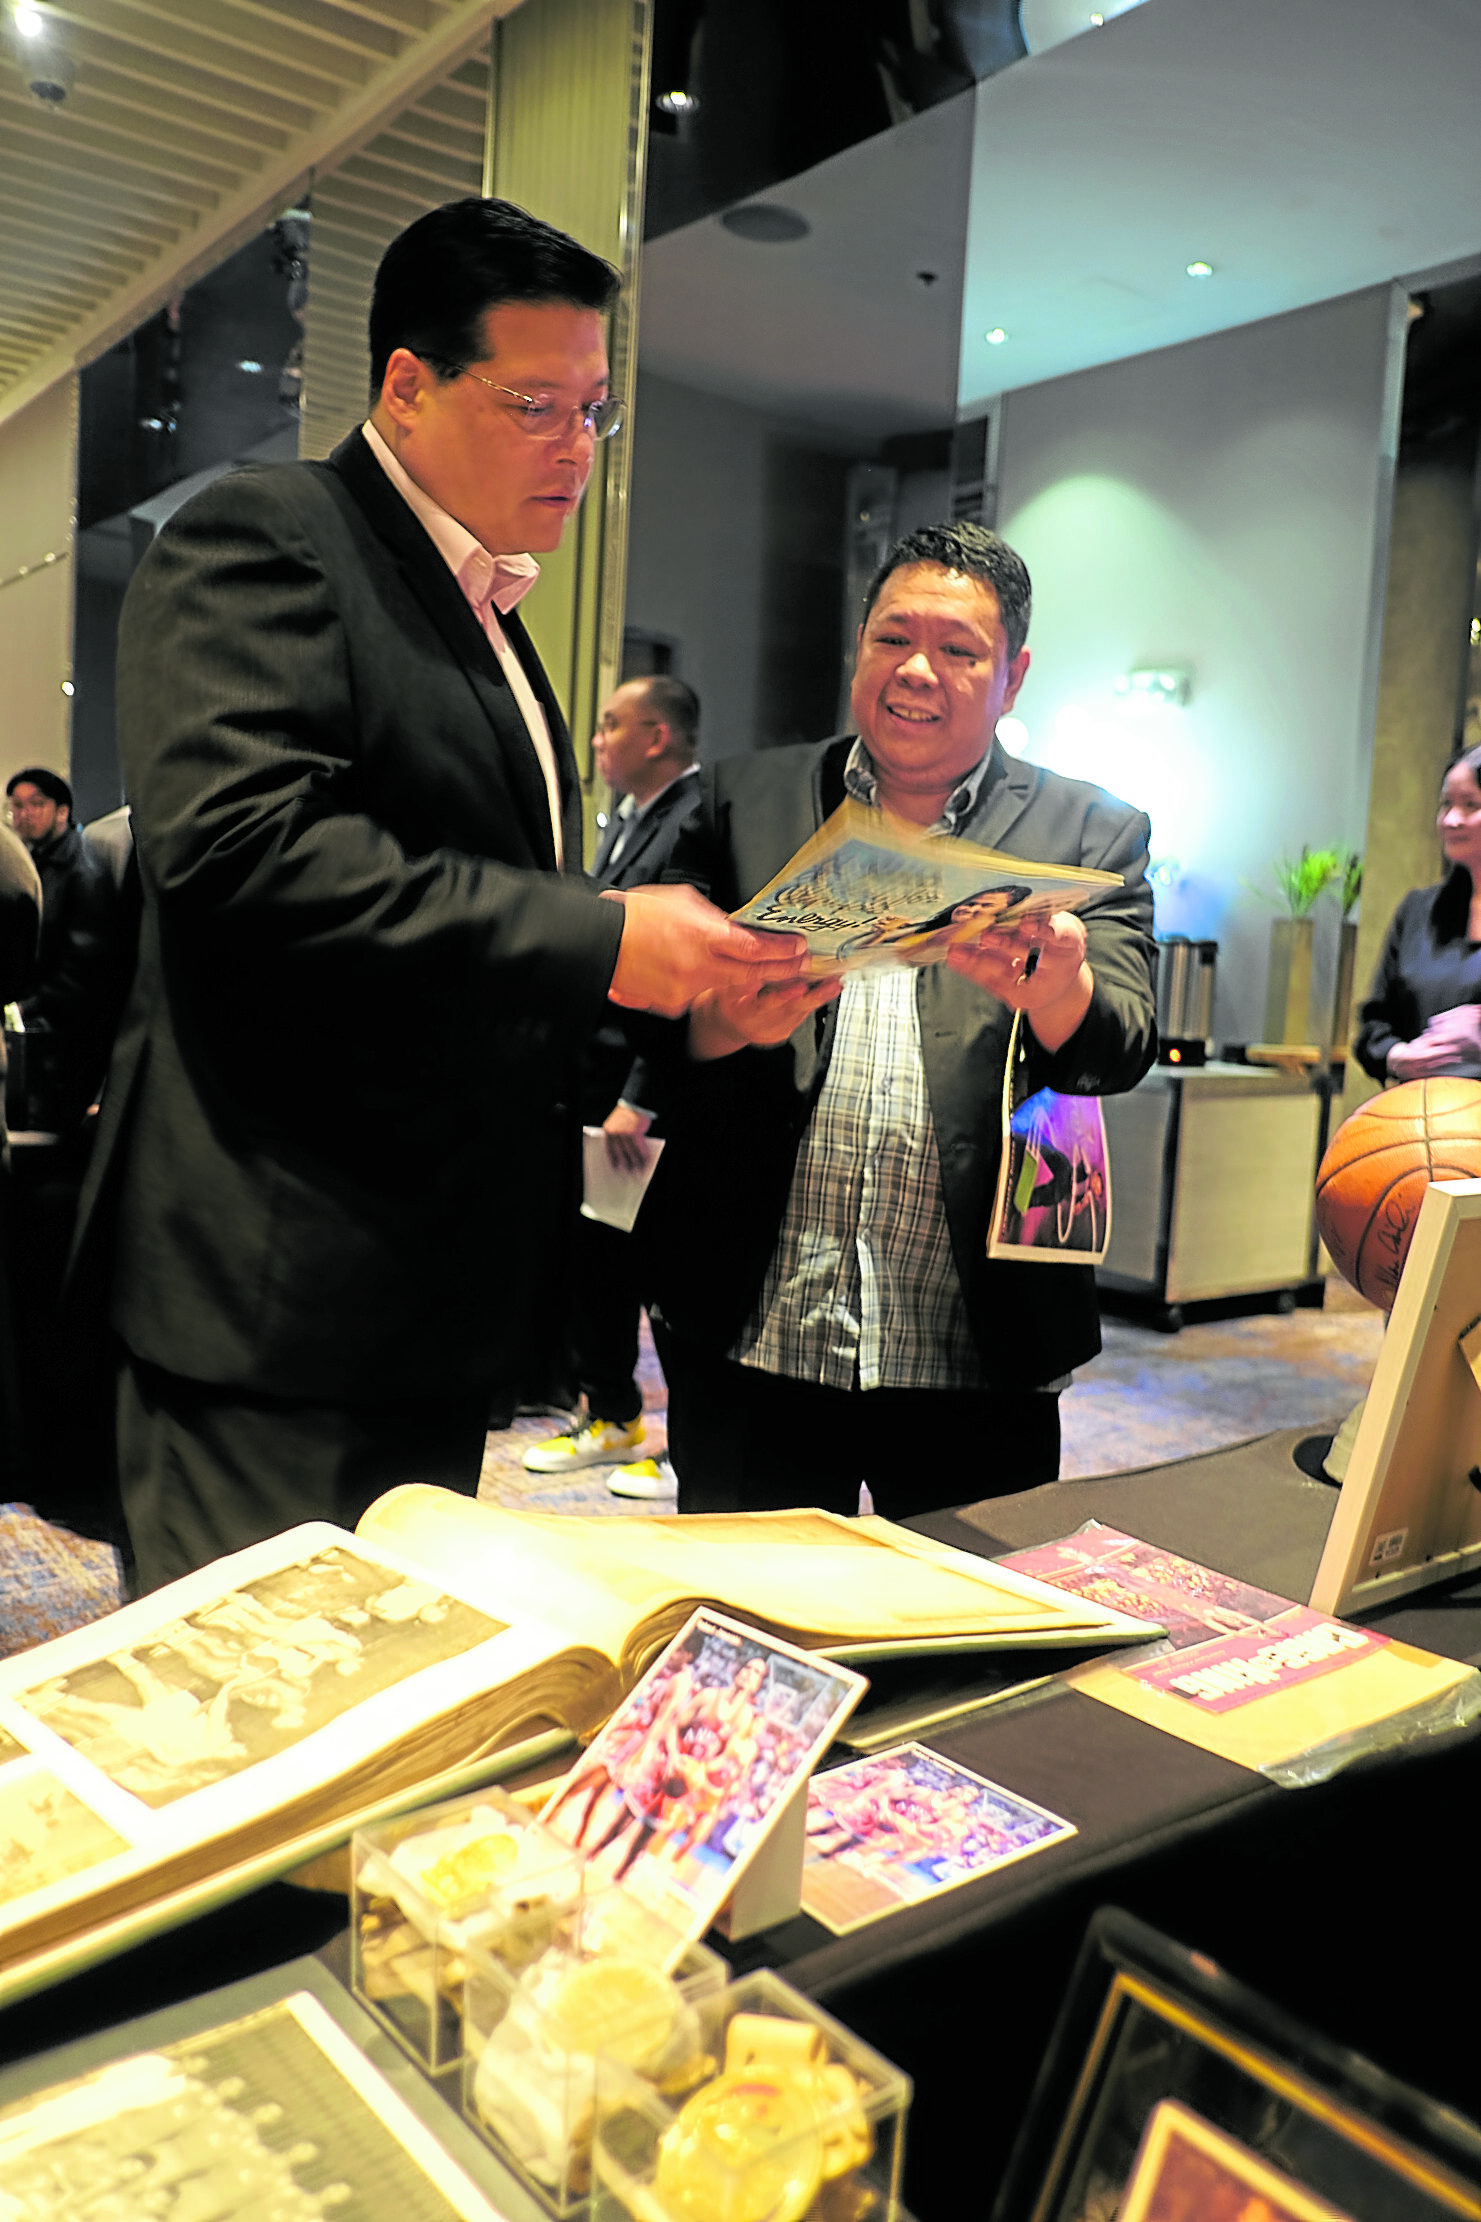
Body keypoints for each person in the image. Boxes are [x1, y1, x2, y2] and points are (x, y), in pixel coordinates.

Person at [78, 196, 803, 1591]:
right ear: (405, 385)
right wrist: (604, 935)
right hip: (272, 1304)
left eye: (596, 411)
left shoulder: (484, 622)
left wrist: (698, 1014)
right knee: (253, 1739)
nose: (575, 448)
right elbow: (243, 856)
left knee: (383, 1724)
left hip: (420, 1299)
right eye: (537, 404)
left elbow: (482, 960)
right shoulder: (271, 534)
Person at [634, 519, 1158, 1518]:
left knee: (967, 1646)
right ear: (856, 646)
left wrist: (1055, 990)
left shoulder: (1091, 833)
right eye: (891, 638)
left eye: (958, 650)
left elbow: (1120, 1041)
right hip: (755, 1327)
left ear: (1010, 678)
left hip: (978, 1344)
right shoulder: (742, 800)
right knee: (756, 1626)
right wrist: (720, 1022)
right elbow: (646, 1020)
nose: (917, 669)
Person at [522, 675, 701, 1488]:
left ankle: (680, 1440)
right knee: (600, 1257)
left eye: (610, 726)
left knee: (654, 1267)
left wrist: (641, 1094)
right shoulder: (630, 819)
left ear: (656, 735)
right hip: (595, 1083)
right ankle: (612, 1413)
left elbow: (684, 976)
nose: (596, 741)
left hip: (645, 1094)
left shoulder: (696, 816)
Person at [4, 768, 123, 1134]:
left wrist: (23, 1008)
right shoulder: (37, 859)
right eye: (16, 806)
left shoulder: (81, 869)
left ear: (62, 811)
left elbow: (82, 972)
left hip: (62, 1034)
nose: (24, 814)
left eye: (36, 804)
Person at [1354, 745, 1481, 1081]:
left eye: (1471, 805)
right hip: (1417, 1120)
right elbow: (1374, 1027)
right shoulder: (1417, 911)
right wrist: (1397, 1056)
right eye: (1445, 804)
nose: (1452, 819)